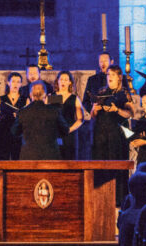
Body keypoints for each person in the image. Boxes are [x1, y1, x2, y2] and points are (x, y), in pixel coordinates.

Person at [92, 65, 133, 205]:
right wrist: (95, 109)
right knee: (101, 164)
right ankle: (101, 197)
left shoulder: (124, 93)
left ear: (119, 77)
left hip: (116, 134)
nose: (109, 77)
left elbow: (130, 113)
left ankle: (118, 200)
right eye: (108, 74)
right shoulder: (102, 91)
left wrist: (116, 110)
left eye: (113, 75)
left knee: (116, 164)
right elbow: (93, 115)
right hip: (101, 133)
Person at [15, 83, 68, 160]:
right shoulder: (54, 111)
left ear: (30, 95)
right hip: (51, 156)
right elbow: (65, 130)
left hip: (28, 157)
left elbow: (15, 131)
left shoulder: (22, 112)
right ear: (45, 95)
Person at [0, 72, 27, 160]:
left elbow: (29, 116)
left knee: (17, 158)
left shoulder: (25, 99)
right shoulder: (1, 99)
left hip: (18, 133)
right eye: (13, 81)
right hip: (3, 131)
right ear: (8, 83)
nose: (15, 84)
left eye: (18, 82)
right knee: (3, 158)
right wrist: (2, 117)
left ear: (21, 84)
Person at [54, 71, 83, 159]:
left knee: (70, 159)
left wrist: (69, 130)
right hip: (55, 134)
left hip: (70, 134)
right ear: (57, 81)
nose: (63, 82)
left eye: (66, 80)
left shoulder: (74, 98)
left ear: (70, 82)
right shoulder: (52, 97)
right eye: (61, 79)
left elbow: (80, 119)